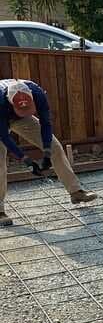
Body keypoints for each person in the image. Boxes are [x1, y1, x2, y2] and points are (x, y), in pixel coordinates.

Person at [0, 79, 97, 227]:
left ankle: (76, 192)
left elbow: (46, 123)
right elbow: (4, 137)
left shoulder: (37, 92)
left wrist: (46, 152)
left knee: (55, 147)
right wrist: (26, 160)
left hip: (19, 117)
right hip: (1, 118)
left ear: (31, 96)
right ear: (10, 101)